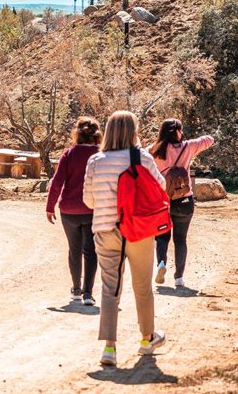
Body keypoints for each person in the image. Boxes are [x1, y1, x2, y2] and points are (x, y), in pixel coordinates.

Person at [83, 111, 166, 367]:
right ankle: (147, 339)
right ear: (133, 131)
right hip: (139, 230)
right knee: (142, 286)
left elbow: (88, 200)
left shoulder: (95, 161)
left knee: (110, 288)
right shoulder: (141, 158)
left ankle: (109, 348)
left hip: (106, 231)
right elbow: (160, 186)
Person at [149, 118, 214, 287]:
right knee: (180, 239)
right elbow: (209, 139)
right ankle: (179, 278)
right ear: (177, 131)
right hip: (184, 200)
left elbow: (140, 158)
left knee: (162, 238)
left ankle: (161, 264)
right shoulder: (189, 146)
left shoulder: (153, 150)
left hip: (162, 201)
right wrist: (190, 143)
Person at [46, 117, 102, 305]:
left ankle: (76, 289)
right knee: (91, 250)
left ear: (77, 133)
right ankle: (88, 293)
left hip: (69, 210)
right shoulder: (100, 155)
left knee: (74, 249)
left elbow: (57, 181)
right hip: (92, 209)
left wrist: (50, 206)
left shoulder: (69, 153)